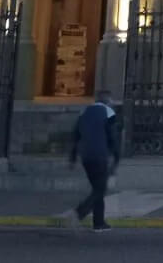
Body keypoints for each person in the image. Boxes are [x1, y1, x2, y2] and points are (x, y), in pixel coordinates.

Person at [69, 91, 119, 231]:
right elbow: (112, 136)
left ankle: (99, 223)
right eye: (112, 102)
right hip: (99, 155)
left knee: (98, 188)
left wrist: (72, 158)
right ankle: (80, 212)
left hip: (86, 156)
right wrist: (116, 156)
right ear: (108, 101)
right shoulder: (108, 111)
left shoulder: (84, 111)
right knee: (100, 189)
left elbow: (75, 135)